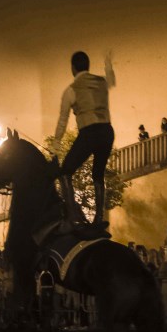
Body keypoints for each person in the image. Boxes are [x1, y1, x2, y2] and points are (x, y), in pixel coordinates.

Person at [52, 50, 116, 230]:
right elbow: (111, 81)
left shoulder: (71, 90)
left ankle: (73, 215)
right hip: (107, 131)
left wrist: (56, 144)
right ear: (88, 65)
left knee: (65, 172)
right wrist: (108, 65)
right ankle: (99, 218)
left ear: (72, 68)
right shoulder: (101, 82)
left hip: (89, 132)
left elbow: (63, 120)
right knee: (98, 173)